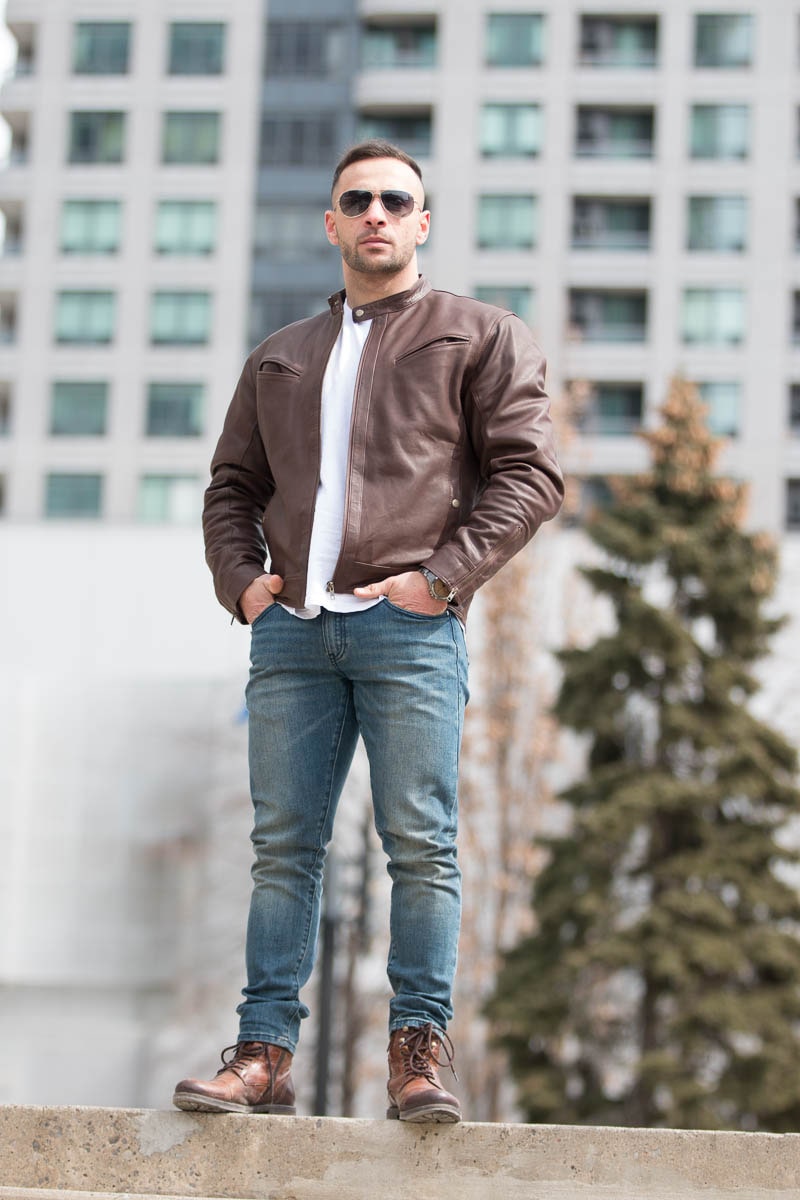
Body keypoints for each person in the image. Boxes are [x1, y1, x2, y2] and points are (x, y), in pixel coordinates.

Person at [172, 139, 563, 1123]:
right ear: (332, 224)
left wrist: (441, 580)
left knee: (421, 847)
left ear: (421, 223)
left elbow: (530, 476)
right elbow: (231, 488)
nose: (376, 213)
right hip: (292, 636)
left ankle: (416, 1059)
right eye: (358, 201)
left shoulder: (479, 336)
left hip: (409, 631)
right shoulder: (280, 355)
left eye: (396, 200)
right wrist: (244, 586)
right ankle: (262, 1056)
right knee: (282, 849)